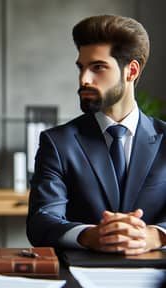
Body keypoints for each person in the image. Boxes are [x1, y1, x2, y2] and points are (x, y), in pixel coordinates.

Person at [27, 15, 166, 255]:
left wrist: (155, 235)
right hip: (79, 283)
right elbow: (41, 222)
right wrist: (90, 235)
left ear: (131, 71)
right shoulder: (58, 143)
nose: (84, 79)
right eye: (81, 68)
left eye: (98, 67)